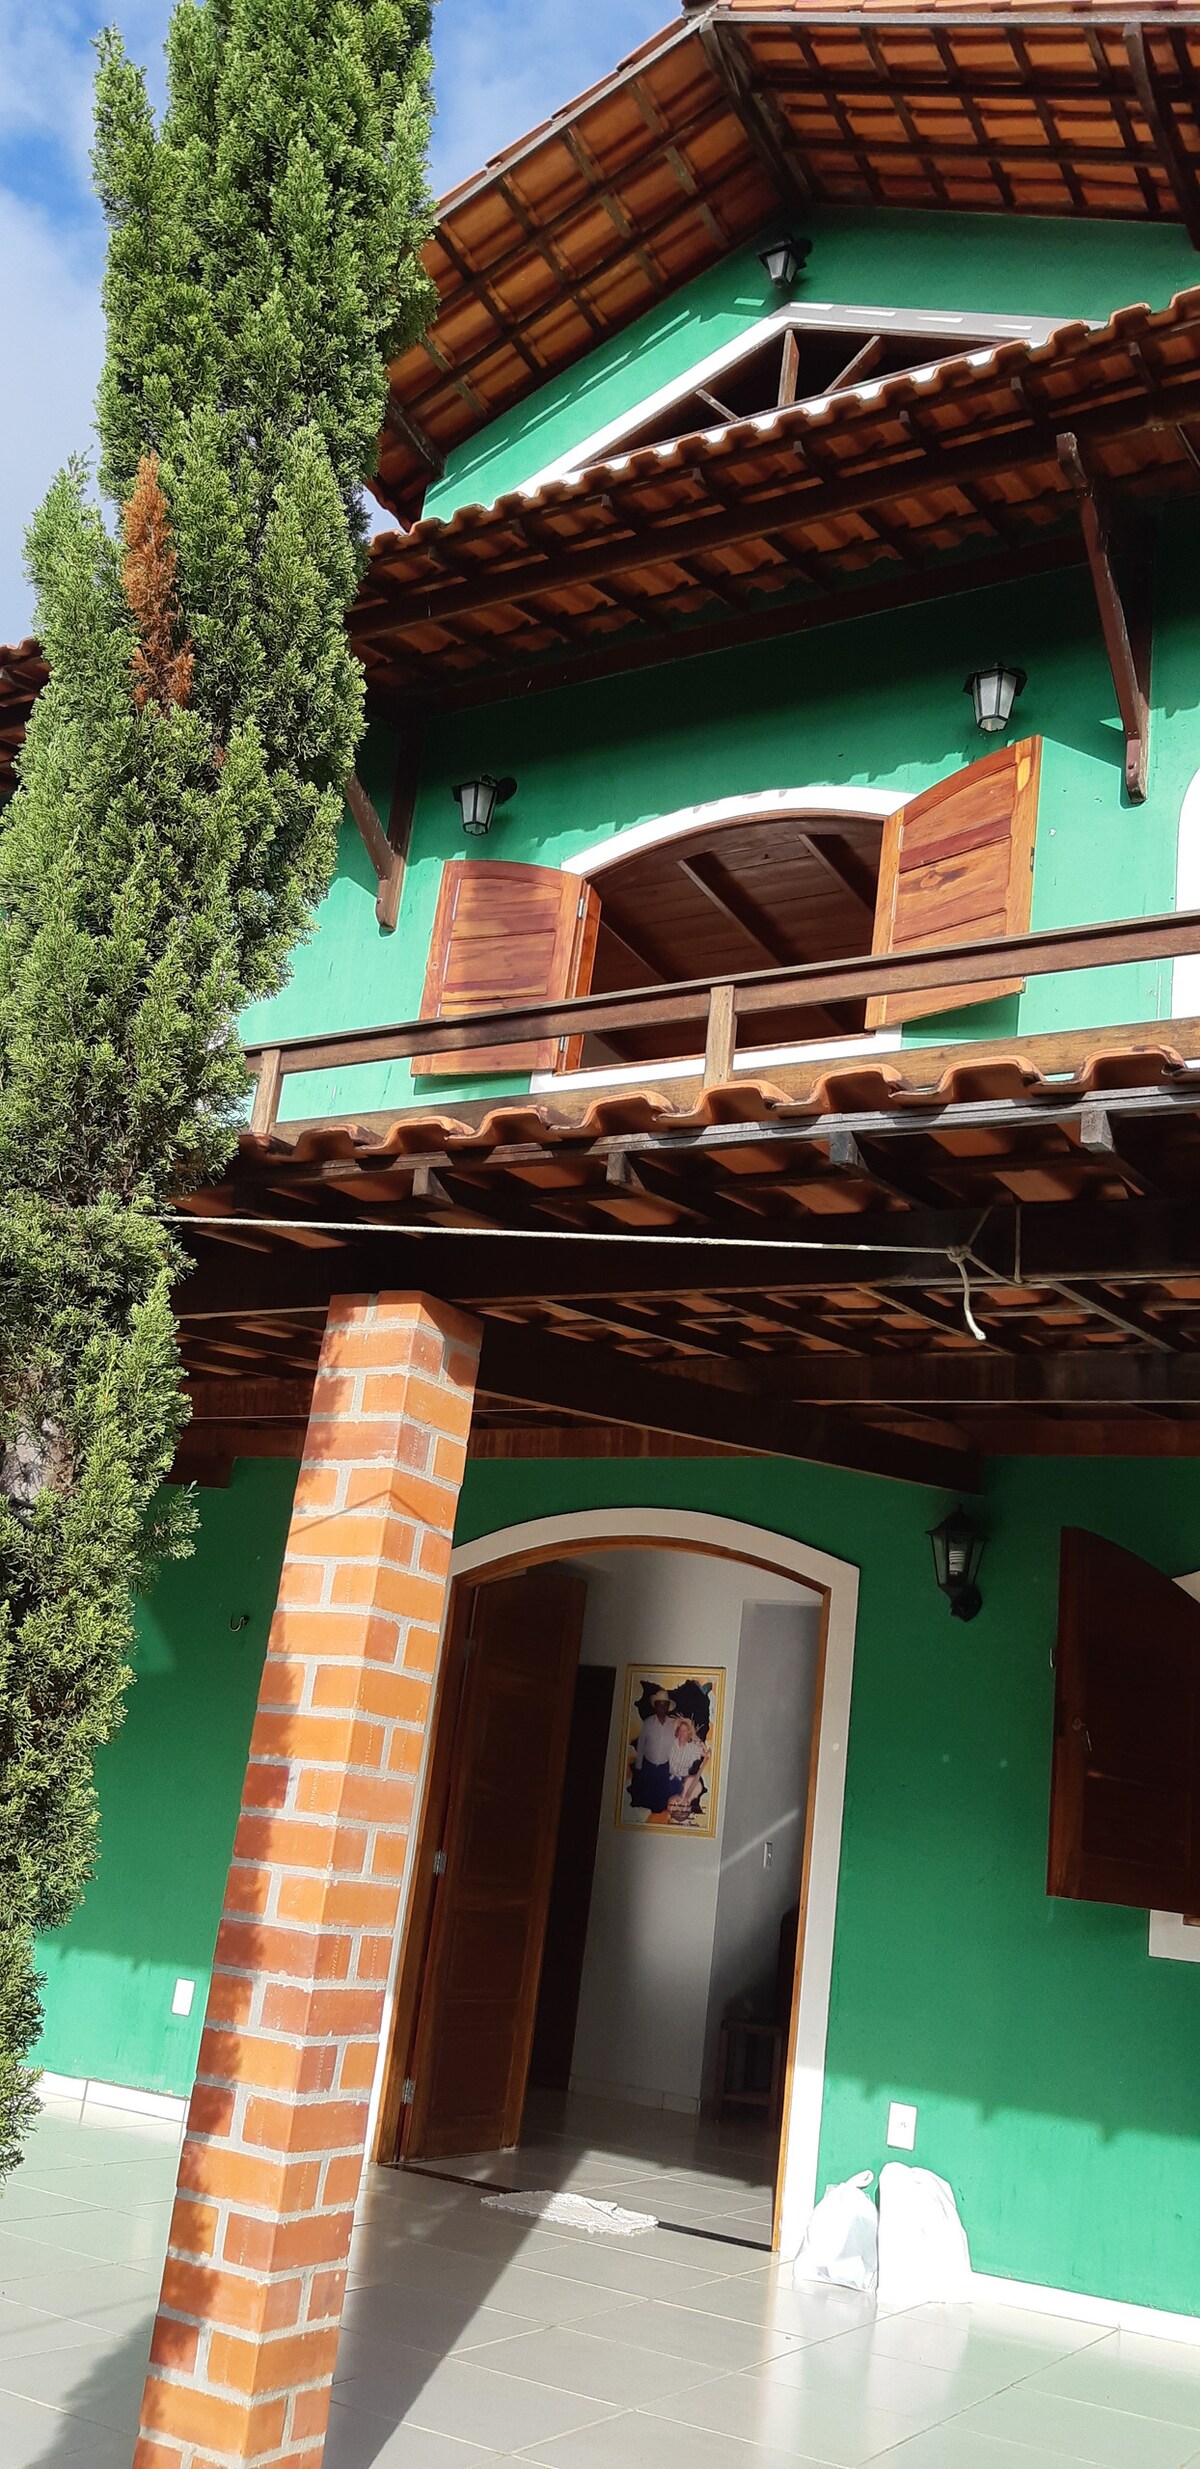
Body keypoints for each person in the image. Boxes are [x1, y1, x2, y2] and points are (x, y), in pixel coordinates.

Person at [629, 1685, 677, 1813]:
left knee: (661, 1798)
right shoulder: (648, 1723)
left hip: (664, 1767)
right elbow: (641, 1744)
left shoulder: (673, 1724)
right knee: (646, 1794)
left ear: (668, 1707)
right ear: (655, 1706)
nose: (662, 1707)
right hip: (648, 1766)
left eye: (664, 1704)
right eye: (659, 1704)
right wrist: (638, 1765)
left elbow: (677, 1745)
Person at [666, 1713, 709, 1823]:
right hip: (667, 1779)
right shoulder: (670, 1743)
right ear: (677, 1732)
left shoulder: (693, 1748)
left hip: (683, 1782)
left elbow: (706, 1754)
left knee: (682, 1799)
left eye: (685, 1731)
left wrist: (700, 1743)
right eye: (680, 1730)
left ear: (689, 1733)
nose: (682, 1733)